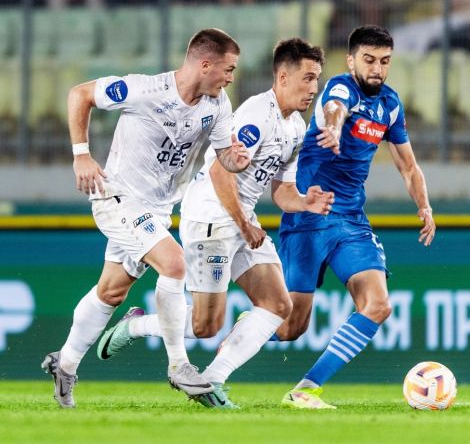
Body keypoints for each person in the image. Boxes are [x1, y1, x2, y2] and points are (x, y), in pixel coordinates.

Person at [95, 38, 336, 409]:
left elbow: (282, 189)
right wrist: (243, 222)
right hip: (211, 216)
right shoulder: (257, 112)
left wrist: (304, 202)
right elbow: (219, 169)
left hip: (242, 218)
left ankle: (211, 380)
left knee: (277, 305)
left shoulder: (296, 129)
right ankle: (136, 326)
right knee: (207, 325)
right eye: (307, 78)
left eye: (316, 79)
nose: (313, 88)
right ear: (283, 76)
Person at [41, 28, 250, 408]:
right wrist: (81, 154)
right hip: (117, 195)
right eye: (229, 69)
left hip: (156, 209)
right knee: (173, 264)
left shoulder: (218, 106)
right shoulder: (143, 90)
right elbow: (80, 94)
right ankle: (178, 366)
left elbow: (226, 156)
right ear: (206, 64)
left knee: (111, 291)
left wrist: (237, 160)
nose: (231, 77)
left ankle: (65, 362)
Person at [278, 25, 436, 409]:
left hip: (350, 219)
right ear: (351, 61)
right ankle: (204, 328)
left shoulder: (390, 104)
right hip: (311, 214)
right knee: (289, 326)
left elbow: (408, 166)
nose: (377, 69)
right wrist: (332, 128)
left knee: (378, 305)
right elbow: (335, 109)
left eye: (384, 61)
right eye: (369, 60)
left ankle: (306, 389)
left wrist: (424, 205)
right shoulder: (339, 88)